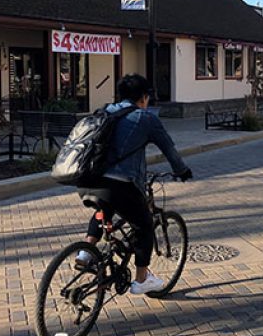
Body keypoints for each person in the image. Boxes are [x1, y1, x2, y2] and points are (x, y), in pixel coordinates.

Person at [76, 74, 192, 295]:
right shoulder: (145, 118)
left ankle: (85, 251)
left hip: (89, 179)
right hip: (122, 184)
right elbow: (169, 149)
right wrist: (182, 171)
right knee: (144, 225)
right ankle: (141, 279)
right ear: (144, 97)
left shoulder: (106, 111)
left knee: (103, 210)